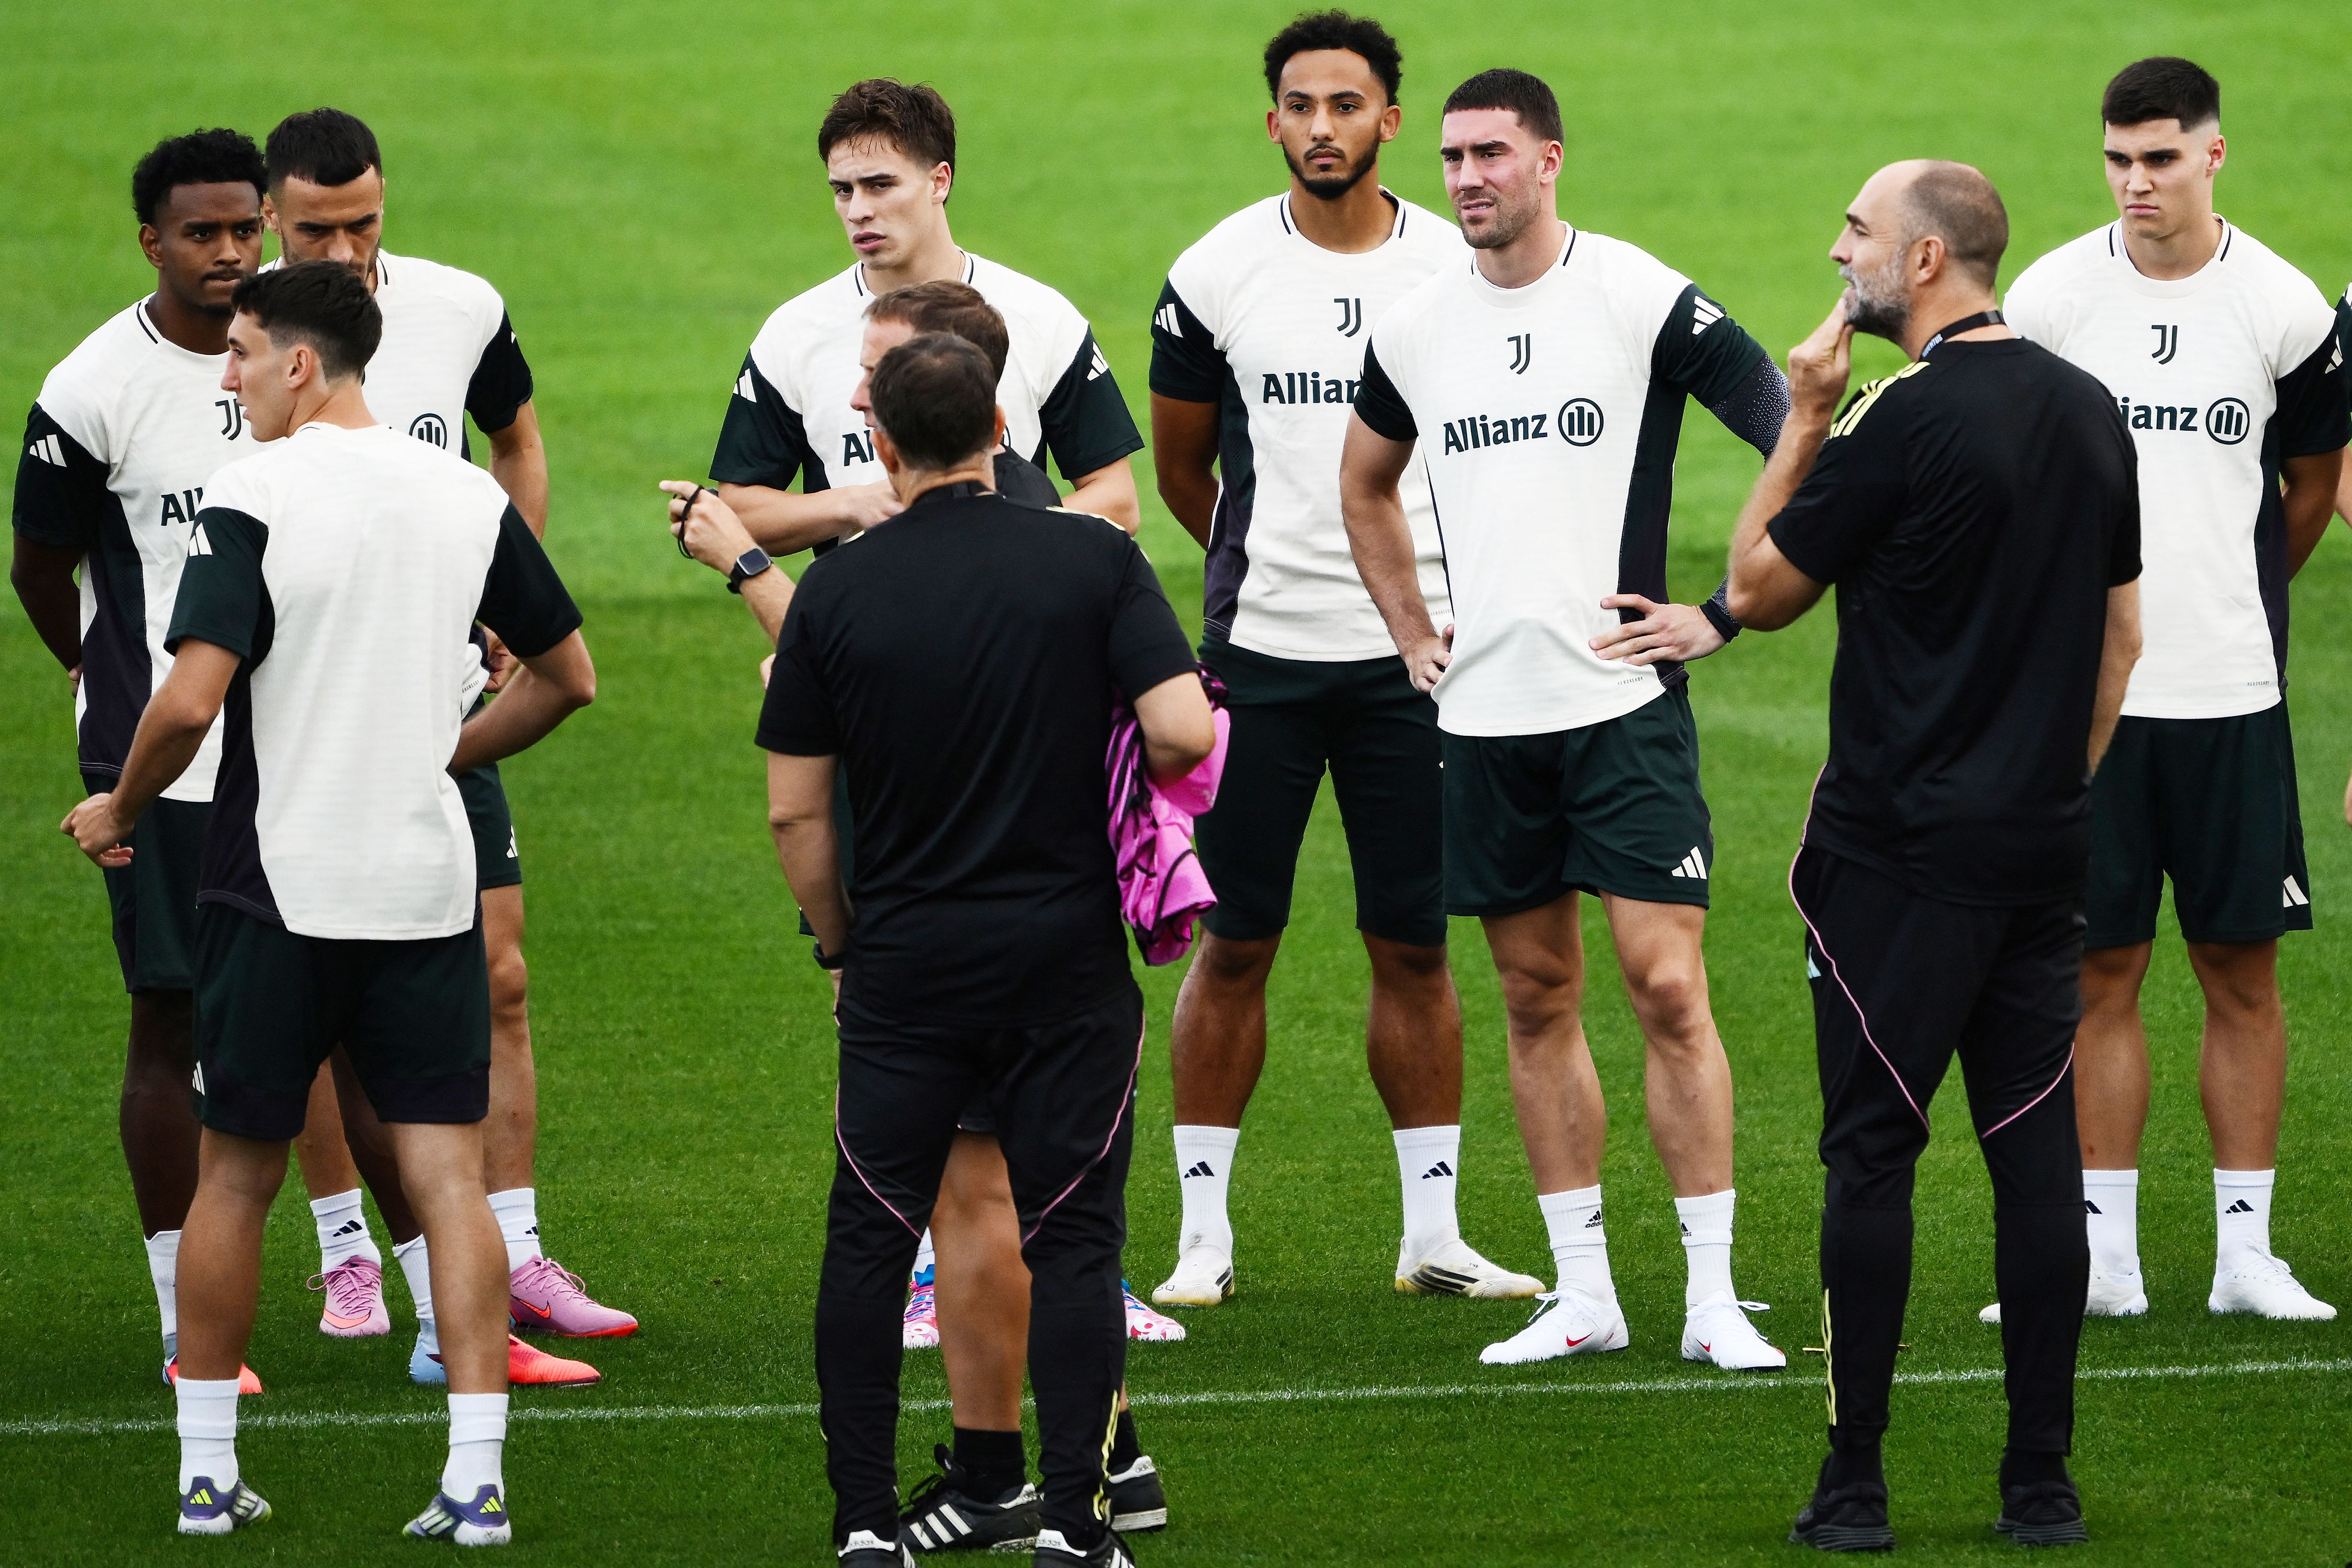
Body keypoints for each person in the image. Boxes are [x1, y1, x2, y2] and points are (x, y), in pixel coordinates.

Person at [61, 260, 596, 1541]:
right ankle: (476, 1479)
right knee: (449, 1178)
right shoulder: (465, 492)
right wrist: (446, 757)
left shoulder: (252, 492)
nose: (230, 376)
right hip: (425, 888)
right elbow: (568, 677)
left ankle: (206, 1475)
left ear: (300, 364)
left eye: (243, 353)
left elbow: (189, 701)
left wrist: (119, 809)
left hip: (275, 891)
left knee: (236, 1178)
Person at [667, 282, 1177, 1553]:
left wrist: (844, 941)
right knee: (1073, 1235)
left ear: (880, 445)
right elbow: (1180, 730)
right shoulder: (1093, 556)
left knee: (870, 1236)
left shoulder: (839, 592)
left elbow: (795, 814)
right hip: (1063, 953)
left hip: (904, 965)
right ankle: (1079, 1521)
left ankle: (862, 1525)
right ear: (1001, 424)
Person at [1690, 161, 2141, 1549]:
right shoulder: (2090, 408)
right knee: (2035, 1159)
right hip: (2040, 855)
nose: (1840, 254)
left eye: (1859, 233)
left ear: (1927, 260)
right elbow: (2123, 635)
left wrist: (1802, 418)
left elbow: (1755, 590)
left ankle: (1855, 1486)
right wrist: (2049, 789)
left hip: (1894, 864)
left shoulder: (1896, 416)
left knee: (1871, 1157)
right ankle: (2041, 1488)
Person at [1338, 68, 1790, 1370]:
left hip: (1621, 705)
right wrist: (1410, 631)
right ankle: (1583, 1293)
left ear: (1548, 161)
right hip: (1483, 718)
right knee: (1534, 997)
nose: (1466, 177)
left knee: (1666, 986)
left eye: (1491, 153)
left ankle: (1711, 1296)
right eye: (1451, 157)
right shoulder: (1417, 326)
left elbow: (1788, 424)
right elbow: (1363, 483)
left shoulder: (1635, 295)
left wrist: (1722, 611)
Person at [1145, 10, 1537, 1310]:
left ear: (1388, 121)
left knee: (1413, 944)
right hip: (1256, 663)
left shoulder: (1454, 265)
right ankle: (1203, 1237)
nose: (1322, 128)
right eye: (1301, 106)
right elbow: (1184, 474)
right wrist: (1272, 571)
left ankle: (1433, 1235)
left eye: (1347, 105)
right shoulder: (1213, 272)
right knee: (1233, 942)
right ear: (1273, 122)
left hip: (1417, 670)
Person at [260, 106, 629, 1383]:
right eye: (317, 230)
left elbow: (514, 440)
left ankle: (510, 1251)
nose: (345, 249)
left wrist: (505, 599)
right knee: (317, 995)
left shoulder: (461, 307)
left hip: (440, 701)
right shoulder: (251, 344)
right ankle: (348, 1247)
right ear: (271, 217)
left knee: (497, 972)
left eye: (363, 223)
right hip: (304, 718)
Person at [1984, 57, 2348, 1326]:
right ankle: (2105, 1259)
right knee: (2099, 972)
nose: (2134, 182)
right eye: (2116, 160)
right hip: (2088, 710)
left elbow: (2312, 481)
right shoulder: (2049, 299)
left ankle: (2245, 1256)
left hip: (2231, 697)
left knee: (2240, 971)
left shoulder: (2281, 307)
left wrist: (2233, 590)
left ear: (2212, 154)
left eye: (2158, 157)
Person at [11, 128, 269, 1394]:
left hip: (309, 742)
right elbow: (39, 569)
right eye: (201, 232)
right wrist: (101, 683)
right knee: (171, 1015)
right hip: (161, 763)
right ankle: (184, 1319)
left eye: (245, 228)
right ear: (150, 242)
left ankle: (423, 1304)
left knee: (351, 1019)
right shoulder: (92, 388)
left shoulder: (298, 357)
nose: (229, 252)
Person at [711, 77, 1144, 555]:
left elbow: (1118, 501)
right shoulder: (794, 332)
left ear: (940, 182)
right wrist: (855, 504)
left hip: (1008, 600)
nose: (858, 211)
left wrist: (1003, 536)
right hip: (862, 600)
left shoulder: (1041, 316)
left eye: (880, 185)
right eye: (843, 190)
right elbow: (738, 512)